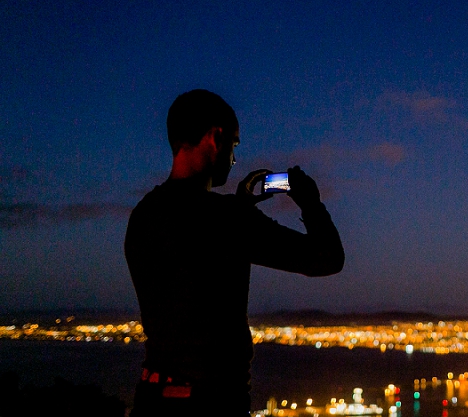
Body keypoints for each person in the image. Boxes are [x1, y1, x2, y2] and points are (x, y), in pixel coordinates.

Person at [125, 89, 344, 417]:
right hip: (212, 403)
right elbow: (327, 258)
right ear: (215, 137)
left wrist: (239, 210)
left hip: (152, 401)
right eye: (235, 145)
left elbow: (190, 272)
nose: (235, 158)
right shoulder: (227, 219)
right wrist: (310, 201)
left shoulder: (143, 215)